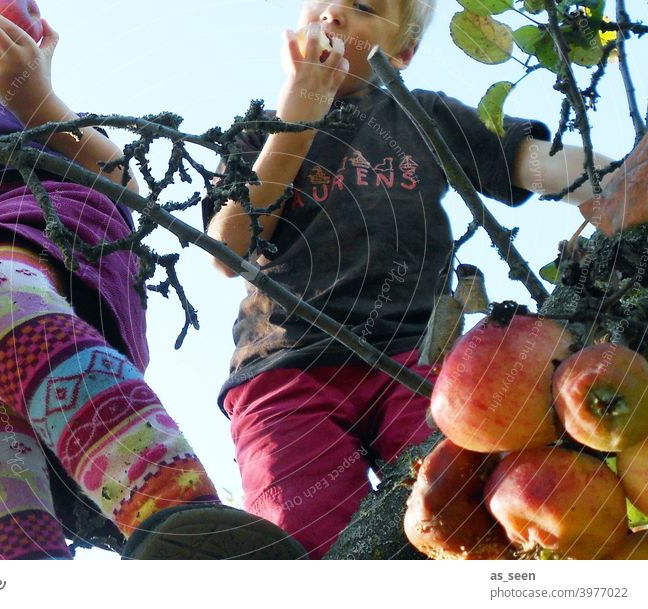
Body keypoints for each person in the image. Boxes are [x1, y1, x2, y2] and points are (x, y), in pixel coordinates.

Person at [0, 0, 306, 560]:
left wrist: (35, 95)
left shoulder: (5, 102)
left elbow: (121, 178)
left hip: (22, 231)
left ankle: (180, 514)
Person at [204, 0, 617, 559]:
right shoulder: (260, 131)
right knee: (308, 535)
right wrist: (298, 116)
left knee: (456, 514)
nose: (333, 16)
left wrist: (618, 181)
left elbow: (528, 160)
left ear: (402, 51)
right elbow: (229, 248)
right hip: (286, 369)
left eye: (364, 8)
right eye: (320, 5)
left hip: (416, 358)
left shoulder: (422, 116)